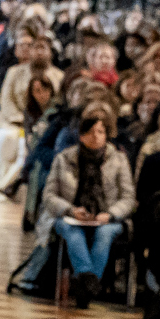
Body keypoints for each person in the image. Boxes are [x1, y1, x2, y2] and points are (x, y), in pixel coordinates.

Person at [39, 112, 135, 305]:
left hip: (107, 218)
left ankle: (85, 286)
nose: (95, 136)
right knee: (72, 232)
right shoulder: (64, 159)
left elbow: (128, 198)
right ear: (81, 135)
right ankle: (89, 282)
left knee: (104, 233)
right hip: (71, 216)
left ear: (106, 135)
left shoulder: (119, 160)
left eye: (100, 132)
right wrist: (70, 210)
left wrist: (110, 214)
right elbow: (49, 196)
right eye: (90, 132)